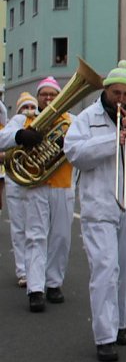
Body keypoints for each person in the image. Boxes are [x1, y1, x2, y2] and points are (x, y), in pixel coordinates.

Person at [64, 60, 126, 362]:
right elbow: (75, 154)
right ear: (106, 90)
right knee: (105, 270)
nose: (121, 99)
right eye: (115, 93)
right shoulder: (87, 118)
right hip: (99, 205)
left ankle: (121, 322)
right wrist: (113, 140)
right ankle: (105, 335)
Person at [0, 76, 75, 312]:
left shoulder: (70, 120)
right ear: (38, 97)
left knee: (61, 237)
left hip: (63, 185)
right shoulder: (24, 118)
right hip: (36, 185)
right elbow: (2, 137)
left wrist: (68, 143)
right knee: (36, 236)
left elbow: (83, 145)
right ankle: (35, 288)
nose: (49, 98)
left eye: (53, 94)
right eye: (45, 94)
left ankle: (54, 283)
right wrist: (20, 136)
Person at [4, 92, 37, 289]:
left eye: (32, 107)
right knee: (19, 228)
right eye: (25, 107)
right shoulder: (15, 123)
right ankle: (23, 271)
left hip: (34, 180)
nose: (29, 111)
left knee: (35, 229)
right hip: (15, 180)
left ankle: (36, 269)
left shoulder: (40, 122)